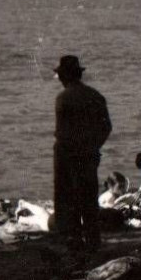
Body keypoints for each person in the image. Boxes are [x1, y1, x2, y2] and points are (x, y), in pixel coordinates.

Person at [52, 54, 113, 250]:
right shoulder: (95, 96)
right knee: (88, 199)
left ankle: (74, 242)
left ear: (64, 76)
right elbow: (106, 127)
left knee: (66, 200)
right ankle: (93, 242)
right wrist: (94, 146)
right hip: (89, 154)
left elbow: (63, 132)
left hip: (67, 156)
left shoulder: (63, 98)